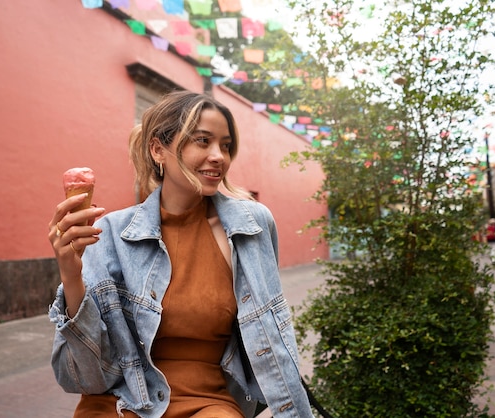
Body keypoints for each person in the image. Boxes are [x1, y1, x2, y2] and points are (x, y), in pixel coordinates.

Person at [47, 90, 315, 418]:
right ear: (158, 149)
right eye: (203, 141)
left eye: (226, 145)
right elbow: (88, 377)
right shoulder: (109, 234)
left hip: (208, 403)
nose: (219, 156)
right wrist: (71, 275)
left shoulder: (252, 227)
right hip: (121, 400)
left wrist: (285, 409)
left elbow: (270, 334)